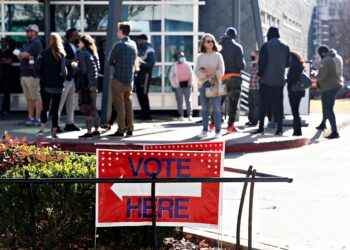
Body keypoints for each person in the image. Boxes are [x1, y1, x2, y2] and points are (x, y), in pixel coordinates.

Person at [252, 27, 290, 135]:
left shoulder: (266, 46)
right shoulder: (285, 46)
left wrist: (259, 75)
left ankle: (261, 127)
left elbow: (262, 63)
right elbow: (288, 63)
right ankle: (280, 129)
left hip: (266, 80)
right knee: (279, 105)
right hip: (279, 80)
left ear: (269, 35)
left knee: (264, 104)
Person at [213, 27, 245, 133]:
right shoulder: (237, 47)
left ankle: (212, 125)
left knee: (218, 102)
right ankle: (230, 127)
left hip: (220, 78)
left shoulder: (217, 47)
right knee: (233, 103)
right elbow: (241, 65)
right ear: (234, 36)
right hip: (234, 78)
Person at [107, 22, 137, 137]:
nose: (116, 32)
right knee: (128, 105)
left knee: (119, 107)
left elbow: (110, 60)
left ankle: (120, 130)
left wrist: (116, 62)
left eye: (118, 30)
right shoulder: (133, 44)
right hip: (129, 80)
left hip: (118, 79)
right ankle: (130, 129)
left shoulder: (118, 45)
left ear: (121, 31)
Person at [36, 33, 66, 139]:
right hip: (57, 85)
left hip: (45, 84)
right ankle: (54, 132)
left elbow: (37, 68)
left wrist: (42, 77)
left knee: (45, 107)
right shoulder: (61, 54)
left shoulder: (43, 53)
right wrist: (63, 79)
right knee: (55, 109)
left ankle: (41, 130)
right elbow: (64, 71)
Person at [194, 33, 225, 139]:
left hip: (215, 83)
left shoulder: (218, 55)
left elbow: (221, 71)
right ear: (203, 43)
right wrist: (207, 73)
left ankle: (218, 131)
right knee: (205, 109)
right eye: (208, 41)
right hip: (203, 83)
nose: (211, 43)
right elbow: (197, 72)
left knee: (216, 108)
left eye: (212, 41)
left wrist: (211, 72)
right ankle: (205, 130)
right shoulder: (199, 57)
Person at [315, 45, 343, 139]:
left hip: (328, 87)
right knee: (326, 106)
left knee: (328, 109)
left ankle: (335, 132)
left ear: (322, 53)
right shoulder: (337, 57)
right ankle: (323, 124)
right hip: (337, 85)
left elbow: (321, 76)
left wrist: (315, 74)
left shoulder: (325, 61)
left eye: (319, 54)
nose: (319, 56)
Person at [18, 24, 43, 126]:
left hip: (32, 75)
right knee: (29, 98)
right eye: (27, 31)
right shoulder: (28, 43)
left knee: (36, 97)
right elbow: (20, 55)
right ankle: (30, 117)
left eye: (29, 31)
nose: (27, 32)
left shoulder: (36, 43)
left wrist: (22, 54)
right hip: (24, 74)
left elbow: (23, 55)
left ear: (34, 32)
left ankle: (37, 118)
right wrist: (22, 54)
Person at [77, 34, 100, 138]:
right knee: (93, 107)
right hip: (94, 83)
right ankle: (96, 129)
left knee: (86, 108)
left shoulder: (82, 53)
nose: (78, 43)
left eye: (80, 42)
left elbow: (83, 70)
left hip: (85, 84)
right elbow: (98, 68)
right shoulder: (94, 52)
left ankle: (89, 131)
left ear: (84, 42)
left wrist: (75, 66)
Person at [57, 28, 81, 132]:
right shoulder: (63, 45)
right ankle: (55, 124)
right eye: (76, 35)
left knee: (71, 103)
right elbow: (60, 60)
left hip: (73, 78)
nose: (78, 36)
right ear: (71, 36)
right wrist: (71, 62)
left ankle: (70, 123)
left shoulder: (76, 45)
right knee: (60, 102)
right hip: (65, 78)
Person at [168, 52, 193, 121]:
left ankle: (189, 115)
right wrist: (174, 85)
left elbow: (191, 74)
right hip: (178, 86)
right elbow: (171, 76)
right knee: (180, 101)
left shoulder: (188, 64)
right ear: (177, 58)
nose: (181, 58)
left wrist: (191, 82)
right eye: (179, 56)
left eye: (182, 56)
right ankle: (181, 115)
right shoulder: (174, 66)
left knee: (188, 100)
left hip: (187, 85)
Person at [135, 34, 155, 120]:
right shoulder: (142, 48)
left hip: (145, 75)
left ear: (143, 40)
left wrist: (140, 65)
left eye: (139, 40)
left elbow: (151, 63)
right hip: (140, 75)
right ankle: (143, 113)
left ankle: (147, 115)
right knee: (140, 94)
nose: (137, 42)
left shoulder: (149, 48)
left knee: (144, 94)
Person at [286, 52, 306, 136]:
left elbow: (291, 79)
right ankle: (297, 130)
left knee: (295, 112)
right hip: (300, 91)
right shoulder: (301, 66)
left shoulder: (293, 67)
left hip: (293, 91)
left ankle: (297, 131)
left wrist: (286, 79)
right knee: (296, 111)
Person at [0, 37, 17, 117]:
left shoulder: (10, 52)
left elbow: (8, 61)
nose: (2, 43)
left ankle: (5, 109)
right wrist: (3, 60)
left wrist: (3, 60)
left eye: (3, 42)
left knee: (7, 93)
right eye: (1, 42)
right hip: (1, 74)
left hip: (7, 75)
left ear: (6, 43)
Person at [246, 50, 260, 126]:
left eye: (254, 55)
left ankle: (255, 121)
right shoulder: (252, 64)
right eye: (252, 55)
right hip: (251, 87)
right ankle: (250, 119)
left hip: (257, 87)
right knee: (250, 104)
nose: (252, 57)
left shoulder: (261, 64)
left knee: (256, 105)